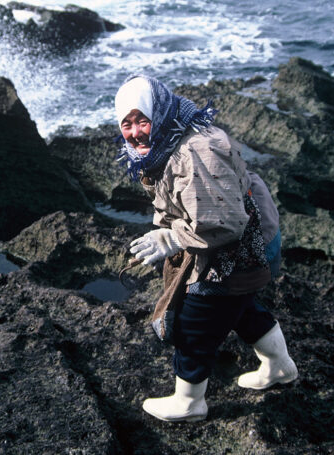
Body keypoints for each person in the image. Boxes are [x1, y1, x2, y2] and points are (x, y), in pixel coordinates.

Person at [115, 75, 298, 423]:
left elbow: (223, 222)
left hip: (238, 252)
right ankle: (280, 366)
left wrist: (169, 238)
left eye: (142, 120)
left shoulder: (195, 151)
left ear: (161, 112)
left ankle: (190, 403)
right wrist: (168, 229)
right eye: (127, 123)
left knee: (193, 324)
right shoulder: (168, 138)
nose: (136, 131)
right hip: (245, 241)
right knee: (241, 309)